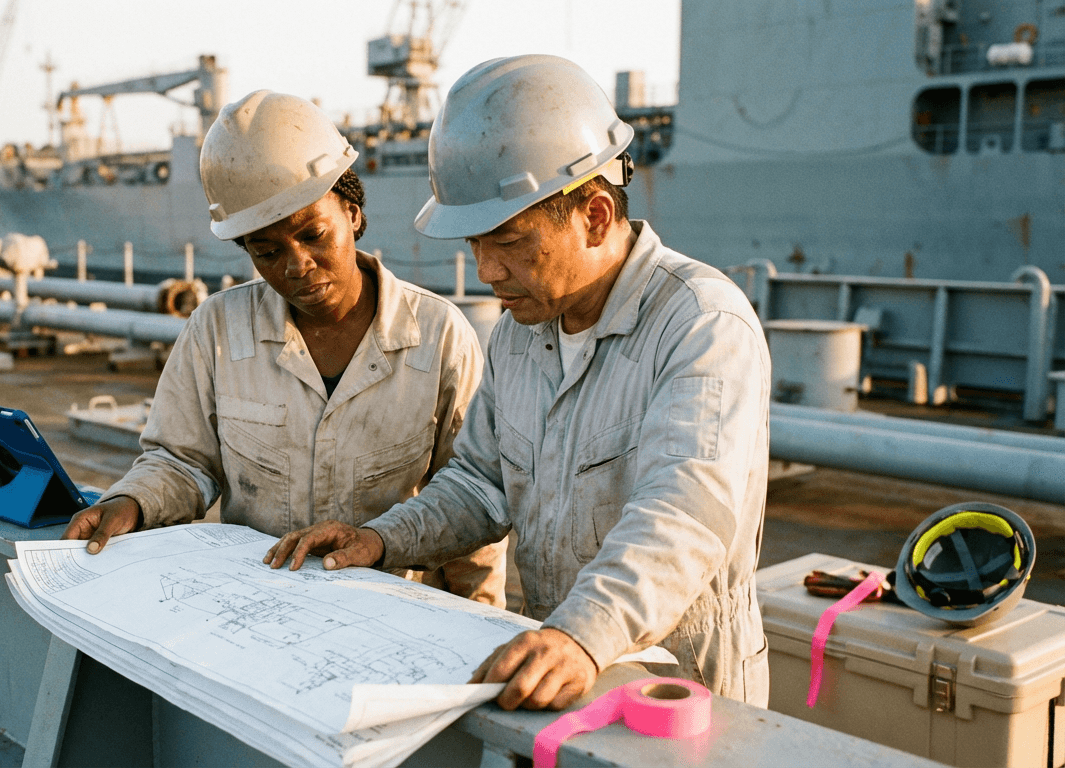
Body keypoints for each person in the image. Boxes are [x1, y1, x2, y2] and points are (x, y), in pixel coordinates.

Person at [265, 55, 772, 710]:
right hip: (553, 663)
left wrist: (583, 634)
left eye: (506, 240)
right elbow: (481, 483)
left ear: (592, 215)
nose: (486, 271)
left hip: (682, 689)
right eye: (475, 245)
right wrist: (383, 538)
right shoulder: (523, 333)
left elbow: (686, 511)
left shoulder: (701, 324)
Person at [62, 90, 507, 606]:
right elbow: (182, 463)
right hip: (256, 612)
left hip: (390, 615)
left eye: (314, 235)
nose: (296, 266)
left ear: (354, 214)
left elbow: (469, 499)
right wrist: (132, 502)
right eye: (268, 252)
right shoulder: (216, 330)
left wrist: (480, 621)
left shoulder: (440, 336)